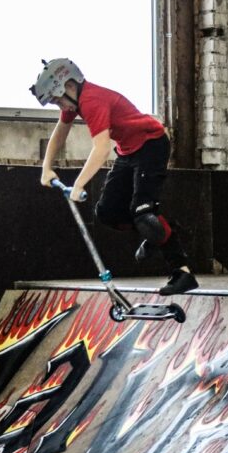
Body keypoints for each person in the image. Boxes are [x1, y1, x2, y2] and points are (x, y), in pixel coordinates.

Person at [31, 58, 198, 296]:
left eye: (58, 100)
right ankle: (157, 230)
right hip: (128, 152)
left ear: (69, 86)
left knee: (143, 213)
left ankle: (182, 272)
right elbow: (60, 132)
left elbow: (101, 149)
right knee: (107, 213)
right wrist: (46, 167)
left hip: (151, 144)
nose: (61, 107)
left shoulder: (91, 101)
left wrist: (79, 184)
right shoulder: (74, 102)